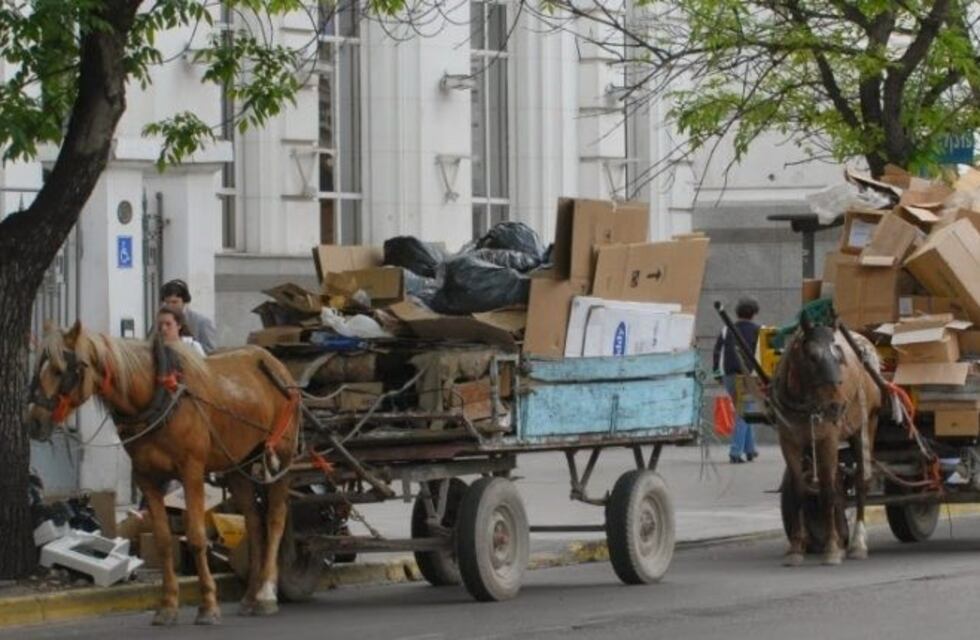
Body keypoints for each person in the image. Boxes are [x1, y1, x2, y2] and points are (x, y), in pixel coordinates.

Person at [713, 297, 761, 464]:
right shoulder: (758, 330)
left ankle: (750, 449)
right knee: (744, 413)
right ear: (754, 314)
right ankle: (736, 451)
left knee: (745, 410)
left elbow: (717, 352)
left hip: (728, 376)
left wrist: (716, 374)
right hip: (747, 377)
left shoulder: (727, 329)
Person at [160, 279, 217, 354]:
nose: (170, 306)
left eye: (174, 302)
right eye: (167, 302)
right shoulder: (160, 322)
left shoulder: (202, 322)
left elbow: (210, 351)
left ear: (184, 302)